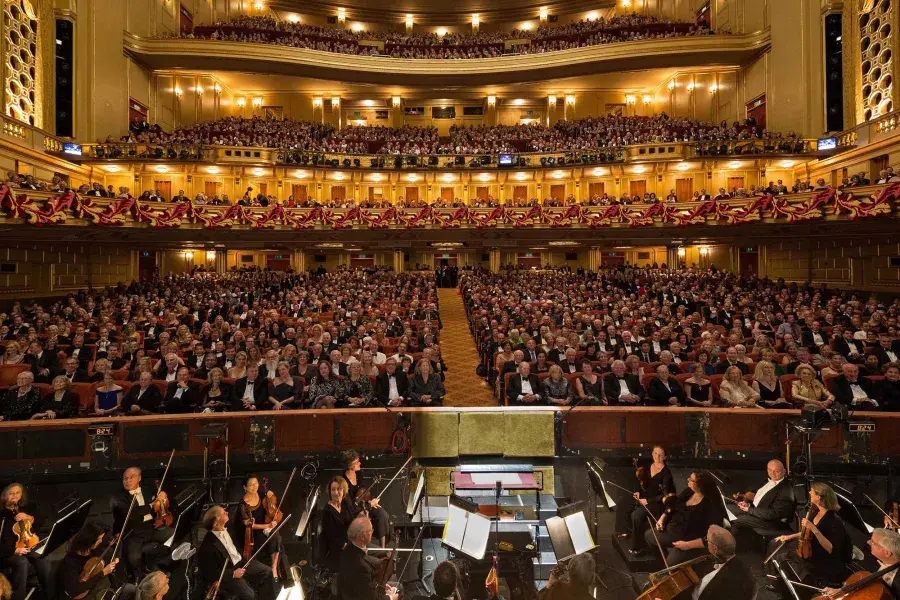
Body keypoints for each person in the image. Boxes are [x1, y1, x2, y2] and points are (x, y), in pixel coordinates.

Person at [772, 482, 852, 591]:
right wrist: (790, 536)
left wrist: (813, 528)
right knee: (779, 547)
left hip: (825, 559)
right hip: (813, 549)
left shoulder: (834, 521)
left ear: (818, 497)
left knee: (784, 557)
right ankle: (782, 584)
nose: (809, 492)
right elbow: (808, 534)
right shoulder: (816, 512)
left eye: (812, 492)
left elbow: (831, 549)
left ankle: (798, 589)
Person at [645, 471, 725, 564]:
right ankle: (666, 555)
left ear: (700, 485)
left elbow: (712, 537)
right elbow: (673, 505)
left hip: (689, 540)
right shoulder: (689, 491)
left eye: (691, 480)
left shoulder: (712, 505)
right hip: (673, 529)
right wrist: (663, 518)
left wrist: (687, 545)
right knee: (648, 535)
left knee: (670, 565)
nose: (688, 480)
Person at [197, 505, 275, 600]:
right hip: (229, 571)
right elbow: (210, 574)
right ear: (216, 524)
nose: (227, 512)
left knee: (267, 572)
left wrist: (248, 523)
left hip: (241, 561)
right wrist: (233, 574)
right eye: (223, 513)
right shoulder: (207, 548)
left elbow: (240, 526)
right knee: (249, 595)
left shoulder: (228, 525)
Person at [110, 467, 174, 581]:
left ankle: (153, 560)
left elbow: (159, 505)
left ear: (139, 478)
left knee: (173, 532)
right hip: (133, 533)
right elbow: (132, 516)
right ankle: (141, 576)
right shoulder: (118, 498)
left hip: (151, 528)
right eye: (125, 478)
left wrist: (163, 494)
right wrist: (150, 506)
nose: (127, 481)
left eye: (131, 477)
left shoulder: (148, 490)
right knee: (134, 558)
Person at [615, 445, 676, 554]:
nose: (657, 456)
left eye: (661, 455)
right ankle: (626, 532)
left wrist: (647, 501)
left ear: (665, 457)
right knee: (622, 502)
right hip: (645, 498)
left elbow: (664, 496)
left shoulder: (666, 474)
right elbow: (644, 485)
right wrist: (639, 492)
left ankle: (638, 547)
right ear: (652, 454)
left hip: (657, 503)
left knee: (636, 515)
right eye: (656, 453)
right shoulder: (649, 467)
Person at [0, 483, 52, 600]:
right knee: (22, 562)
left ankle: (49, 592)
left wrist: (29, 518)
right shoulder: (2, 516)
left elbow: (41, 522)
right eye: (11, 494)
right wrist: (15, 550)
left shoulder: (26, 508)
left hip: (27, 544)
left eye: (18, 493)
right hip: (8, 551)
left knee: (41, 556)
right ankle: (19, 596)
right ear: (4, 496)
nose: (15, 496)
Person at [730, 459, 795, 547]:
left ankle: (729, 548)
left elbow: (773, 514)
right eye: (770, 470)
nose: (773, 473)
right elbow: (762, 501)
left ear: (784, 471)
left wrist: (749, 510)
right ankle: (729, 544)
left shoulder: (786, 490)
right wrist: (748, 505)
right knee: (728, 509)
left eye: (776, 471)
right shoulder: (766, 481)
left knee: (736, 518)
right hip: (757, 512)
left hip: (771, 522)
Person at [57, 521, 128, 600]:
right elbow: (74, 591)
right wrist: (103, 572)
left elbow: (117, 543)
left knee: (128, 589)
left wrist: (117, 556)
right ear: (90, 540)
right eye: (99, 539)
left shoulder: (93, 550)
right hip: (82, 596)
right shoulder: (70, 563)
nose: (101, 541)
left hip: (98, 588)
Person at [820, 528, 900, 598]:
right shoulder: (874, 561)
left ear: (887, 553)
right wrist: (841, 591)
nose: (868, 542)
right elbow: (867, 584)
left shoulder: (897, 581)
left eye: (873, 542)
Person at [685, 525, 757, 600]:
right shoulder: (744, 568)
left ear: (715, 548)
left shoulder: (709, 581)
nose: (706, 541)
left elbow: (697, 595)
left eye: (707, 540)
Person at [338, 516, 399, 600]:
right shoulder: (362, 566)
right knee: (399, 589)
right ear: (362, 536)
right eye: (370, 530)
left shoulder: (348, 549)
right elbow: (371, 598)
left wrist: (378, 584)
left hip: (350, 593)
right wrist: (391, 598)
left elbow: (361, 583)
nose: (372, 532)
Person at [234, 475, 283, 581]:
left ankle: (274, 567)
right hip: (250, 532)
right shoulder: (242, 504)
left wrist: (273, 518)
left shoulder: (261, 492)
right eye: (251, 485)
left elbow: (271, 503)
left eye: (256, 483)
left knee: (277, 536)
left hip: (265, 526)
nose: (254, 486)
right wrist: (267, 526)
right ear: (245, 487)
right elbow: (249, 524)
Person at [340, 450, 390, 548]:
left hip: (363, 504)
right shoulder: (343, 481)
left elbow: (363, 490)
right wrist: (366, 507)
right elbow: (350, 506)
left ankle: (382, 548)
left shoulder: (359, 474)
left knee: (381, 513)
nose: (360, 463)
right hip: (351, 511)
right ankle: (363, 548)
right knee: (363, 517)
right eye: (357, 462)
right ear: (350, 466)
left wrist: (369, 501)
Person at [319, 476, 353, 573]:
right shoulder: (327, 511)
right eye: (333, 489)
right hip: (336, 548)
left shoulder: (346, 503)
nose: (336, 492)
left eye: (339, 489)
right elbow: (331, 537)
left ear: (344, 490)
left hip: (350, 541)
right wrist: (347, 546)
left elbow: (353, 520)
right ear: (329, 492)